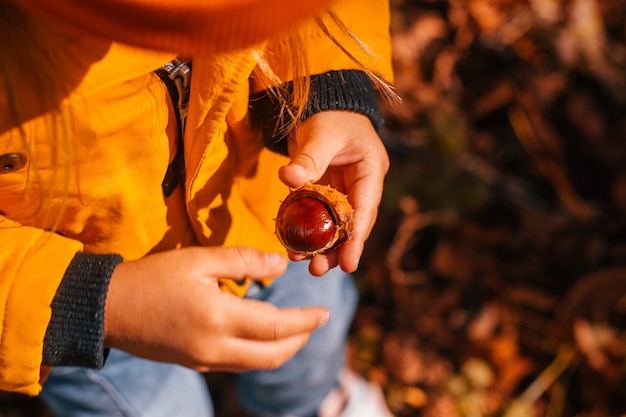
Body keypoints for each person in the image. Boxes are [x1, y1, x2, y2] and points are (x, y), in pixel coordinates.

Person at [0, 0, 395, 416]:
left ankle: (315, 402)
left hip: (259, 213)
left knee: (307, 354)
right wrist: (90, 302)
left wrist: (324, 83)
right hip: (106, 318)